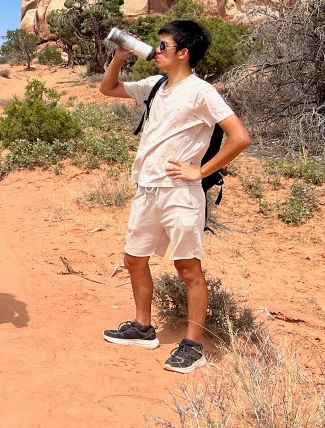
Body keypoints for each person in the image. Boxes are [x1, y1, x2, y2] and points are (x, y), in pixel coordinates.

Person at [99, 19, 251, 373]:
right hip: (147, 188)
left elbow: (240, 137)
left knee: (187, 267)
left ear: (183, 53)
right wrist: (120, 57)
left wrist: (201, 170)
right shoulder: (155, 86)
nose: (156, 51)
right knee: (134, 258)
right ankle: (142, 327)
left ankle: (193, 344)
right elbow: (109, 89)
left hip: (180, 193)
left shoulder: (201, 91)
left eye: (163, 46)